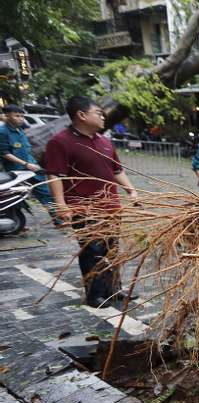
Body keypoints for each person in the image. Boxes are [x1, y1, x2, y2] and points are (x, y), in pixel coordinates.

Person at [45, 96, 139, 309]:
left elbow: (117, 170)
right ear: (81, 115)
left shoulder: (104, 141)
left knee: (112, 249)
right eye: (98, 112)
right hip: (84, 208)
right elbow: (55, 175)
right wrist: (61, 205)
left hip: (111, 207)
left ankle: (114, 290)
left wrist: (131, 190)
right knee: (92, 252)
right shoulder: (60, 142)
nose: (102, 116)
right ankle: (95, 295)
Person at [0, 105, 60, 225]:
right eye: (17, 116)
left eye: (22, 116)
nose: (21, 119)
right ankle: (16, 223)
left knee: (46, 193)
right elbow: (4, 153)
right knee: (16, 198)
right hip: (17, 171)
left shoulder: (20, 129)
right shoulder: (2, 132)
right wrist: (25, 164)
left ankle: (58, 220)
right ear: (7, 116)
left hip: (32, 168)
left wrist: (32, 163)